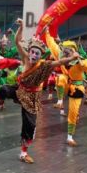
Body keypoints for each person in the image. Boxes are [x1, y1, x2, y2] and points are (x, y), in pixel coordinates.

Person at [13, 19, 78, 163]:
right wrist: (22, 26)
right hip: (20, 90)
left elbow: (59, 62)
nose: (34, 55)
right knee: (3, 90)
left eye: (37, 53)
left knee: (30, 125)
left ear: (41, 55)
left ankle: (23, 153)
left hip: (32, 97)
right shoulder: (25, 58)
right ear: (29, 51)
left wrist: (72, 57)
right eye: (32, 52)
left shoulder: (44, 65)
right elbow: (17, 42)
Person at [45, 30, 87, 146]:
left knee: (73, 112)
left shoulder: (80, 62)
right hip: (66, 83)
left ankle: (69, 136)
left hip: (77, 86)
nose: (66, 53)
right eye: (65, 51)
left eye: (69, 51)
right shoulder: (60, 55)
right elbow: (52, 44)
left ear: (73, 52)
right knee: (60, 78)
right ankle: (60, 101)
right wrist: (47, 31)